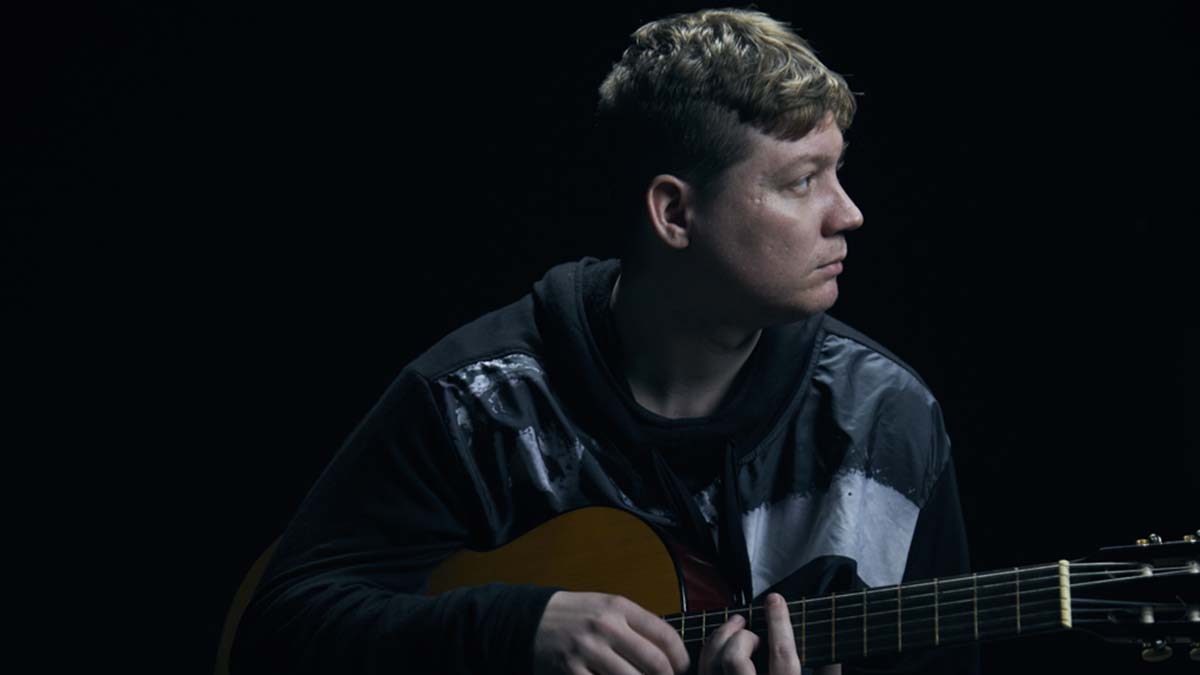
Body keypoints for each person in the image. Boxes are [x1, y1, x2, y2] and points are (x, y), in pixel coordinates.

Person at [231, 8, 980, 675]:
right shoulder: (478, 401)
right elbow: (275, 627)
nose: (847, 213)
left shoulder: (886, 418)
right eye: (801, 181)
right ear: (674, 214)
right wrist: (515, 630)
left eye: (837, 171)